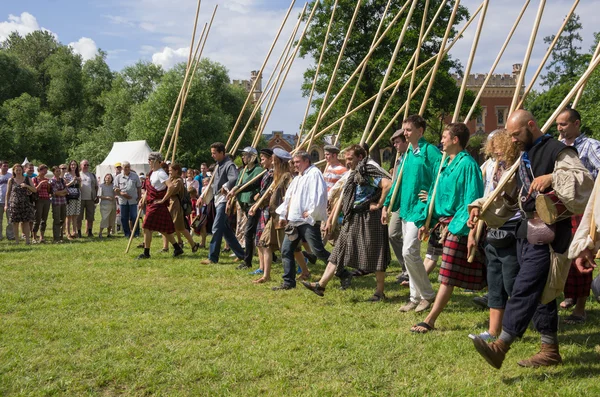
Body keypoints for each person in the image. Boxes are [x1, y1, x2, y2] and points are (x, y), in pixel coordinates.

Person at [470, 109, 593, 369]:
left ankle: (500, 346)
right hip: (528, 231)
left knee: (524, 287)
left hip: (550, 234)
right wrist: (481, 205)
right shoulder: (524, 154)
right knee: (542, 293)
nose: (512, 140)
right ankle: (550, 350)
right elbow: (512, 193)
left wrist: (553, 177)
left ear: (531, 125)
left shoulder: (558, 151)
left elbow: (584, 182)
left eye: (516, 134)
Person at [410, 122, 484, 333]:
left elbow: (471, 199)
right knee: (455, 274)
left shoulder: (468, 165)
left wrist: (459, 226)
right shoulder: (444, 164)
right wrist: (428, 222)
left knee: (447, 275)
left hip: (457, 225)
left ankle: (430, 320)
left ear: (455, 140)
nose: (440, 141)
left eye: (444, 137)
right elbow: (434, 197)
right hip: (442, 224)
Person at [303, 144, 392, 301]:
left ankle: (379, 291)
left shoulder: (368, 170)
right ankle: (321, 285)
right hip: (353, 216)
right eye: (346, 159)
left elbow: (387, 184)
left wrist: (379, 205)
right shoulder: (354, 173)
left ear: (360, 157)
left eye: (350, 159)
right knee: (338, 249)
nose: (348, 162)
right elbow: (345, 196)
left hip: (369, 217)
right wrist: (331, 219)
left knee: (376, 253)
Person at [382, 115, 442, 313]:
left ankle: (427, 295)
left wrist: (432, 195)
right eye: (404, 129)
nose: (405, 133)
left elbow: (442, 174)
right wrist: (387, 204)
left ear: (420, 131)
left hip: (419, 210)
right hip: (406, 208)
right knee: (410, 255)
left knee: (409, 251)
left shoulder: (429, 151)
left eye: (408, 130)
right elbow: (398, 181)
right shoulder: (408, 153)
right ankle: (414, 297)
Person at [467, 129, 521, 341]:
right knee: (495, 282)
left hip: (512, 228)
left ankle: (514, 328)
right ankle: (493, 331)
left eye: (500, 148)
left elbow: (508, 200)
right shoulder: (492, 167)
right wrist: (477, 208)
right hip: (493, 229)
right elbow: (487, 195)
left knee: (512, 282)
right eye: (494, 149)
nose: (496, 153)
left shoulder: (519, 168)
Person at [556, 108, 600, 324]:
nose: (560, 128)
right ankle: (569, 295)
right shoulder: (559, 148)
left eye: (563, 124)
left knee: (581, 255)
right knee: (563, 256)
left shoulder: (590, 146)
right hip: (562, 209)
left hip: (583, 209)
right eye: (558, 125)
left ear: (576, 124)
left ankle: (580, 309)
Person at [272, 151, 332, 290]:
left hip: (307, 222)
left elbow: (318, 195)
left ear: (306, 161)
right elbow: (289, 197)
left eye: (297, 162)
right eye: (294, 162)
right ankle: (288, 282)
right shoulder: (298, 177)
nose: (295, 165)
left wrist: (311, 213)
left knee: (318, 251)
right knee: (286, 250)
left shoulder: (314, 174)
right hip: (294, 221)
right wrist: (283, 216)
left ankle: (342, 272)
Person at [199, 142, 245, 264]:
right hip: (218, 199)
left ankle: (212, 258)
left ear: (221, 153)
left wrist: (226, 186)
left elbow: (234, 178)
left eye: (214, 153)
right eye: (212, 153)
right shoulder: (219, 165)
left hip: (224, 200)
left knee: (217, 227)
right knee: (226, 231)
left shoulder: (229, 165)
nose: (212, 155)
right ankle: (242, 255)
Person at [137, 152, 182, 259]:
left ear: (156, 161)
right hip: (151, 203)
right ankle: (177, 248)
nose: (148, 162)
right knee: (163, 229)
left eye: (150, 160)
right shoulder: (152, 172)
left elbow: (170, 186)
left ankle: (146, 253)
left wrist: (163, 200)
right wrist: (142, 200)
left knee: (146, 227)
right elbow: (149, 189)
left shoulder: (161, 173)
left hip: (157, 204)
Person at [227, 147, 264, 270]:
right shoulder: (243, 171)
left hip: (253, 205)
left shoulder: (259, 170)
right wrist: (232, 198)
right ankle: (271, 256)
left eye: (245, 155)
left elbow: (251, 185)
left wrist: (237, 189)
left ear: (252, 157)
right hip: (243, 205)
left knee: (249, 233)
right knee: (251, 233)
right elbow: (238, 185)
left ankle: (247, 261)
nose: (242, 158)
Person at [157, 163, 199, 253]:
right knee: (166, 226)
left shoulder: (179, 181)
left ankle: (193, 244)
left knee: (180, 228)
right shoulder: (171, 179)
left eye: (171, 171)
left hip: (176, 205)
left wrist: (167, 186)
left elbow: (172, 191)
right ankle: (165, 247)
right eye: (169, 171)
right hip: (169, 204)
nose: (169, 172)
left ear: (176, 171)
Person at [386, 129, 409, 284]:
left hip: (410, 202)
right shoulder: (399, 159)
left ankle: (410, 270)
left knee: (409, 240)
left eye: (397, 142)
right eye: (393, 142)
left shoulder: (412, 157)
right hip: (399, 203)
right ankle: (405, 267)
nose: (395, 145)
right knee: (393, 234)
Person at [247, 148, 274, 277]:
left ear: (271, 159)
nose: (261, 162)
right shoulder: (265, 173)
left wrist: (259, 196)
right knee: (258, 238)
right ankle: (261, 267)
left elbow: (269, 191)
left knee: (264, 240)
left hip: (268, 208)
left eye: (263, 159)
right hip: (262, 208)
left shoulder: (274, 174)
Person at [5, 164, 36, 244]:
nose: (18, 171)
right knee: (15, 223)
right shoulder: (11, 180)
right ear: (14, 171)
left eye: (20, 170)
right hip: (14, 204)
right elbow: (8, 193)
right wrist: (6, 205)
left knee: (26, 222)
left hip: (25, 204)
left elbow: (34, 190)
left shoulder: (27, 179)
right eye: (17, 170)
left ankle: (27, 241)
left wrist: (26, 186)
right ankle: (17, 241)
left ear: (22, 170)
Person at [114, 161, 142, 239]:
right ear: (122, 168)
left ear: (130, 168)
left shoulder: (135, 176)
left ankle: (136, 233)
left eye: (128, 167)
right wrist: (122, 193)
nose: (126, 168)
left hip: (133, 200)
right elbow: (115, 188)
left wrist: (139, 198)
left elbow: (139, 187)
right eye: (125, 167)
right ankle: (127, 233)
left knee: (134, 217)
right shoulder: (118, 177)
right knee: (124, 218)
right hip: (123, 201)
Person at [77, 159, 98, 237]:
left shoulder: (92, 175)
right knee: (79, 217)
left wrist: (96, 196)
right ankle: (79, 232)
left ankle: (90, 231)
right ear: (81, 166)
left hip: (90, 198)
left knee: (90, 217)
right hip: (80, 199)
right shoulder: (78, 174)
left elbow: (96, 186)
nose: (86, 166)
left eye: (87, 165)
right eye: (84, 165)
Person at [32, 164, 52, 243]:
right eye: (44, 170)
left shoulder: (47, 179)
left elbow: (49, 190)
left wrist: (48, 185)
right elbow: (35, 189)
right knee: (37, 218)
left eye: (46, 170)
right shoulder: (35, 179)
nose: (45, 172)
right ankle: (34, 237)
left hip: (46, 199)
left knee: (44, 219)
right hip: (38, 200)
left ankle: (42, 237)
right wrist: (41, 183)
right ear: (39, 170)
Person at [49, 166, 68, 243]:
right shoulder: (52, 181)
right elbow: (55, 192)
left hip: (63, 202)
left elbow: (67, 190)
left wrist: (60, 192)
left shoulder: (62, 180)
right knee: (56, 220)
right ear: (53, 172)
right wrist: (61, 192)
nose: (59, 172)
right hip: (56, 203)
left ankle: (61, 237)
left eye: (59, 171)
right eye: (57, 171)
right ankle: (56, 237)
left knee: (62, 219)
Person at [63, 160, 81, 240]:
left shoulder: (78, 174)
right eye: (72, 165)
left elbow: (80, 186)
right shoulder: (67, 174)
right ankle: (68, 232)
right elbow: (65, 185)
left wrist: (79, 181)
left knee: (75, 215)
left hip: (77, 194)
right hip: (70, 194)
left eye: (75, 165)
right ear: (69, 166)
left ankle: (75, 232)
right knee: (69, 215)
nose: (73, 166)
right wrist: (73, 181)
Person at [98, 173, 116, 238]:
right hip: (104, 205)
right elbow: (99, 196)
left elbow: (116, 193)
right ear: (104, 178)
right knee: (104, 218)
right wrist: (107, 198)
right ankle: (100, 233)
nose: (108, 179)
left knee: (111, 219)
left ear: (111, 179)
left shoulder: (114, 186)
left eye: (109, 178)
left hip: (113, 204)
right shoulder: (101, 186)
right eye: (107, 177)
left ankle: (108, 233)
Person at [0, 160, 12, 240]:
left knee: (10, 220)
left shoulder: (11, 176)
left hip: (9, 201)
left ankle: (10, 236)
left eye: (7, 166)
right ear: (0, 166)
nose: (6, 167)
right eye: (4, 166)